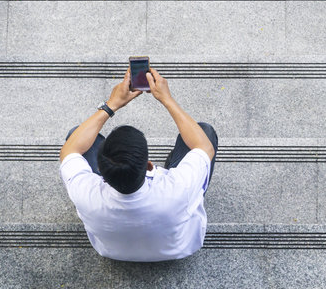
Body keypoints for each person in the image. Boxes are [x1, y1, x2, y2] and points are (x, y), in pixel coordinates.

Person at [59, 67, 218, 262]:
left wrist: (111, 105)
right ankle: (176, 164)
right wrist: (167, 99)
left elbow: (69, 150)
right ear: (150, 165)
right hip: (177, 248)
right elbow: (204, 147)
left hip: (112, 251)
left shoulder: (86, 194)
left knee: (77, 135)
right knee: (204, 132)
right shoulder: (179, 190)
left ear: (99, 171)